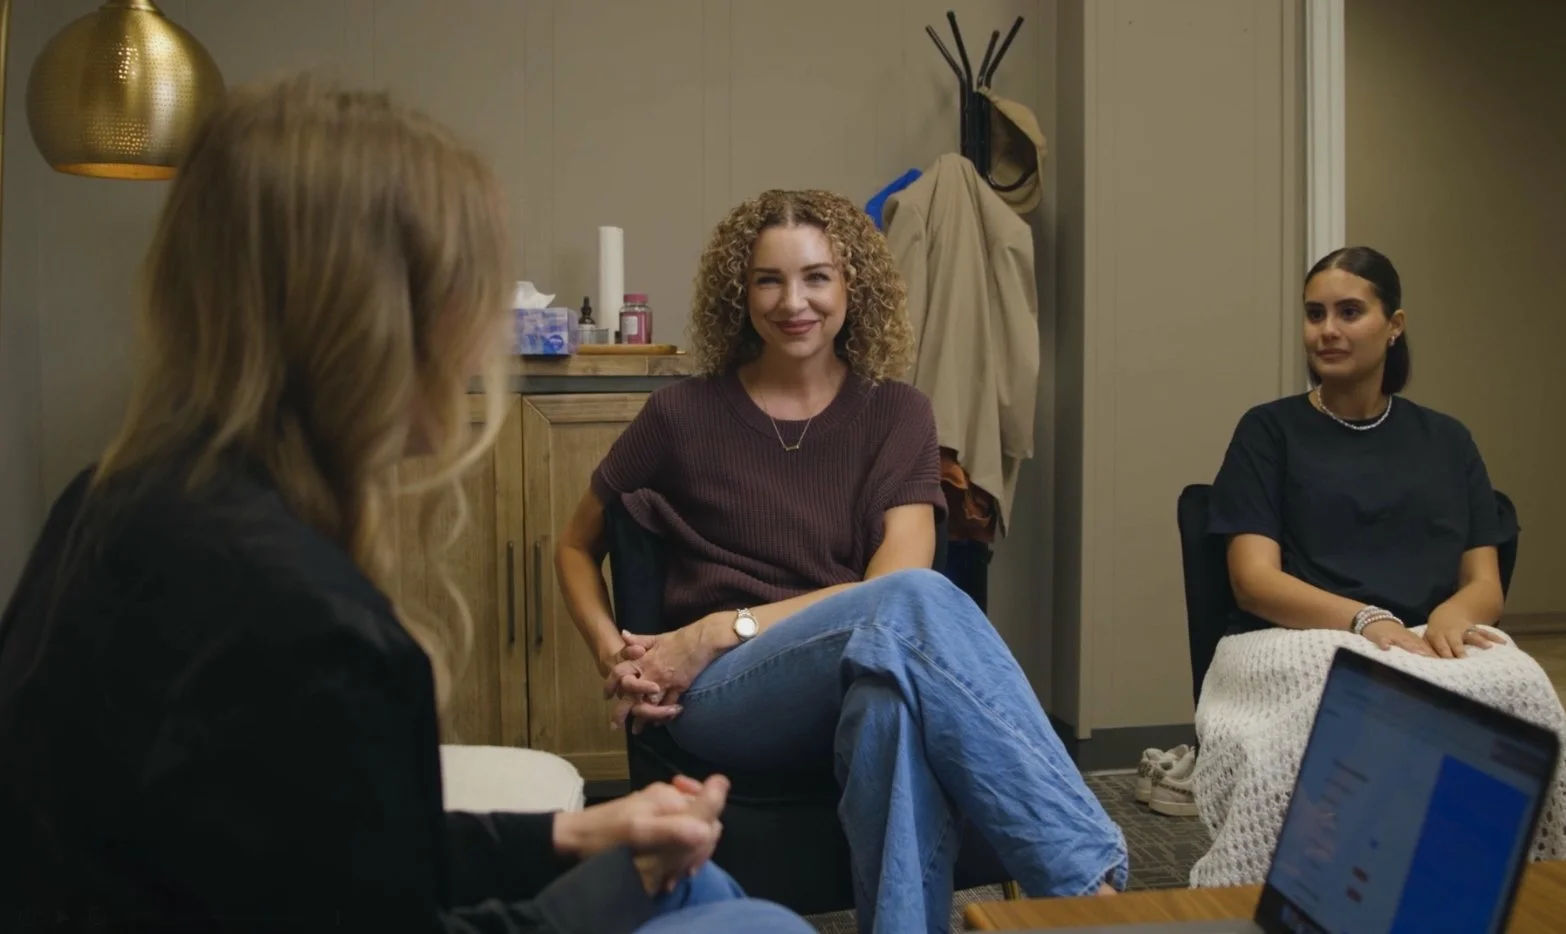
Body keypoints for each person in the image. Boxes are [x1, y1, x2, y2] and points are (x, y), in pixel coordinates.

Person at [0, 77, 812, 934]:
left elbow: (328, 853)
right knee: (757, 922)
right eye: (470, 293)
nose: (482, 338)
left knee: (711, 898)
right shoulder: (313, 628)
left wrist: (577, 834)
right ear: (371, 321)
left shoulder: (105, 501)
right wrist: (625, 881)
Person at [554, 189, 1128, 934]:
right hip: (724, 695)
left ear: (854, 286)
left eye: (817, 277)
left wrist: (722, 626)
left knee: (888, 708)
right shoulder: (680, 414)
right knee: (914, 604)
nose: (793, 302)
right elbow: (574, 545)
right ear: (740, 293)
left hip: (816, 660)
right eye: (768, 280)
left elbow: (893, 588)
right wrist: (613, 652)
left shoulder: (899, 414)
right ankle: (1093, 895)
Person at [1189, 245, 1566, 887]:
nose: (1327, 330)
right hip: (1291, 640)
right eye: (1314, 314)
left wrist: (1452, 616)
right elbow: (1254, 581)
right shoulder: (1268, 431)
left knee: (1521, 692)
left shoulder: (1448, 440)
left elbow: (1484, 583)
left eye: (1349, 312)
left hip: (1421, 640)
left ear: (1394, 325)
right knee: (1349, 707)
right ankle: (1309, 898)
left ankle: (1541, 896)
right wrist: (1366, 621)